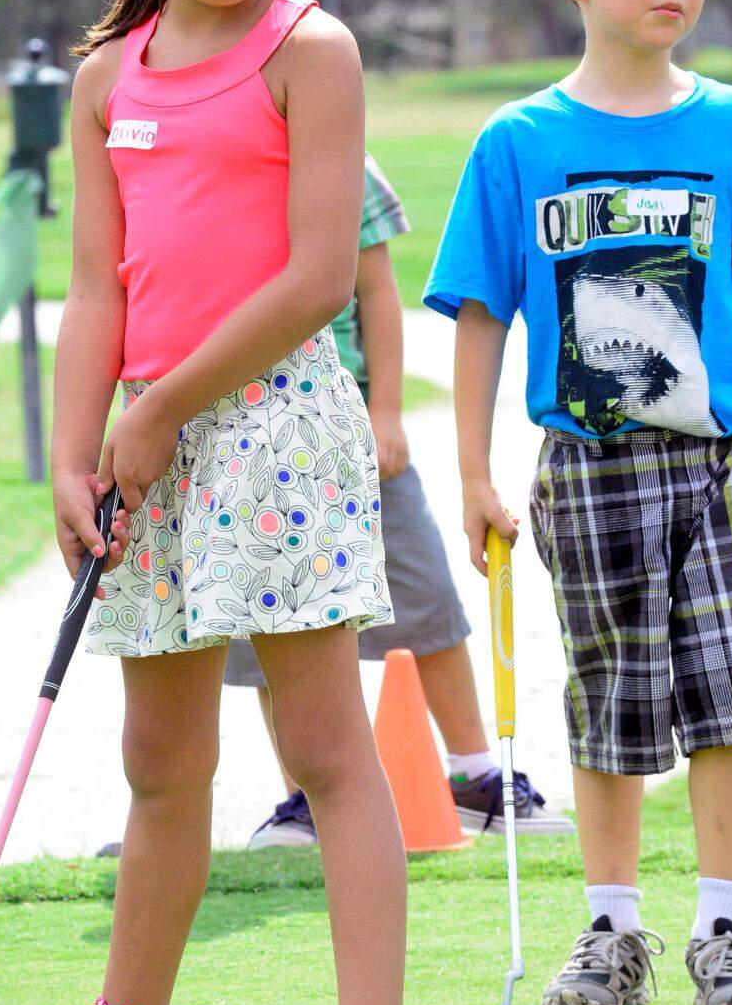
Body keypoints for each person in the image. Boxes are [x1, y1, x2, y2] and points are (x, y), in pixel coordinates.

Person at [0, 0, 441, 1005]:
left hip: (274, 421)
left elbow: (319, 274)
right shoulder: (109, 76)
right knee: (159, 753)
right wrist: (74, 448)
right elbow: (98, 283)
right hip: (149, 437)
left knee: (327, 743)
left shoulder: (311, 50)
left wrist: (156, 415)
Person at [424, 0, 732, 1005]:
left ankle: (729, 925)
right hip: (588, 469)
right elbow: (479, 311)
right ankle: (613, 927)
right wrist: (472, 469)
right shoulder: (519, 140)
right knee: (612, 696)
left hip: (722, 462)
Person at [229, 153, 572, 848]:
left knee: (424, 600)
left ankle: (477, 777)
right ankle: (304, 795)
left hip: (347, 425)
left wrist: (384, 410)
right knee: (274, 621)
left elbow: (378, 292)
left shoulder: (339, 157)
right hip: (242, 433)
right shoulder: (215, 157)